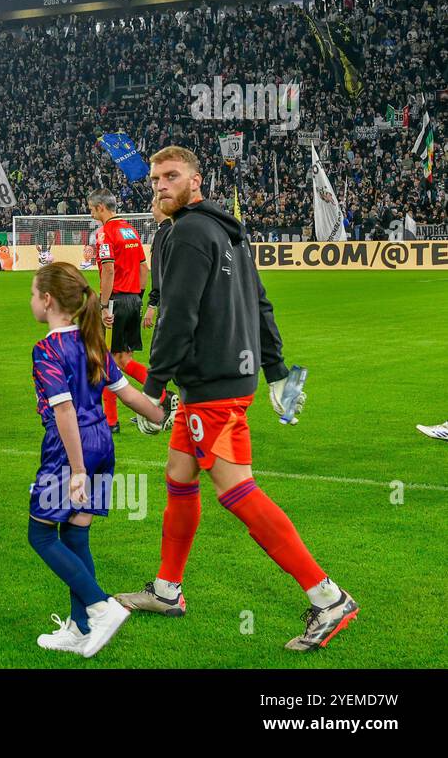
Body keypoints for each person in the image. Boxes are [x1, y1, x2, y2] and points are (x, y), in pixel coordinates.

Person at [116, 146, 358, 652]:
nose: (160, 185)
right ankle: (167, 589)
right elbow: (260, 300)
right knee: (180, 479)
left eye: (172, 176)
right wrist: (275, 372)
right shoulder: (227, 231)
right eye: (156, 178)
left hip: (212, 385)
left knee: (237, 490)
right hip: (222, 380)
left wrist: (154, 389)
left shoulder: (182, 233)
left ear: (196, 182)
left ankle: (327, 596)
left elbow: (176, 317)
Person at [27, 262, 166, 657]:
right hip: (103, 441)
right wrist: (163, 414)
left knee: (40, 535)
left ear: (48, 300)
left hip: (70, 449)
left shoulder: (47, 349)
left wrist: (77, 471)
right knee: (74, 533)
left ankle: (100, 607)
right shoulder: (92, 344)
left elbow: (64, 410)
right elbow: (128, 394)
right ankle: (80, 626)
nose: (33, 301)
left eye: (35, 294)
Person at [87, 188, 160, 432]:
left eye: (91, 208)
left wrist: (104, 305)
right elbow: (144, 269)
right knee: (123, 359)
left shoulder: (104, 233)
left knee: (106, 360)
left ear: (100, 208)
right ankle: (160, 397)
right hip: (133, 300)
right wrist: (137, 298)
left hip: (115, 301)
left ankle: (110, 421)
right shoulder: (130, 230)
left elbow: (108, 270)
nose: (90, 212)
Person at [142, 192, 172, 332]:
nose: (151, 210)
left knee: (158, 349)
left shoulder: (163, 233)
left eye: (153, 206)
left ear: (161, 207)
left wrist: (152, 304)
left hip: (167, 303)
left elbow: (158, 270)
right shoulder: (176, 230)